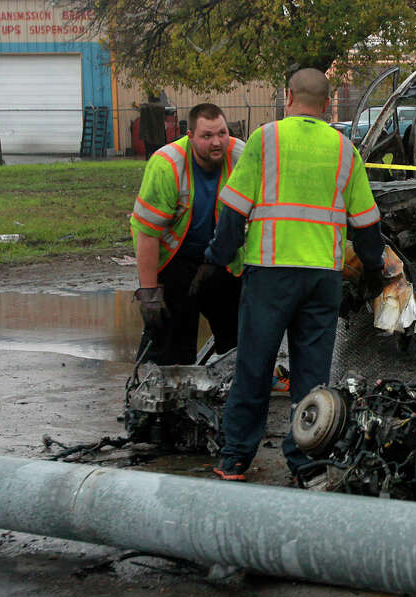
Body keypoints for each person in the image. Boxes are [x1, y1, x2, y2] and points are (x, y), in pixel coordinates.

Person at [204, 68, 386, 482]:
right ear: (327, 103)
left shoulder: (265, 139)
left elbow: (234, 209)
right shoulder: (345, 150)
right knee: (311, 376)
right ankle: (306, 462)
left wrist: (219, 255)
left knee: (254, 365)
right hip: (322, 278)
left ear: (288, 97)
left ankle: (235, 459)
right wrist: (373, 268)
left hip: (270, 273)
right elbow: (367, 222)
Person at [129, 102, 246, 366]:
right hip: (176, 260)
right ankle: (161, 381)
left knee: (240, 335)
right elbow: (147, 234)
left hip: (220, 258)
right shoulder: (167, 164)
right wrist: (149, 294)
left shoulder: (242, 157)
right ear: (190, 136)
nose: (217, 142)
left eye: (222, 133)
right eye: (207, 136)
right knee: (172, 341)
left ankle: (235, 377)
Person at [138, 94, 168, 158]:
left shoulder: (146, 107)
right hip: (157, 134)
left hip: (149, 134)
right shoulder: (160, 107)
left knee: (150, 149)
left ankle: (149, 156)